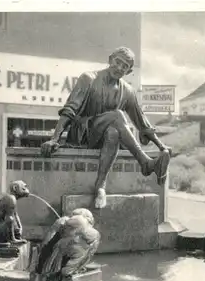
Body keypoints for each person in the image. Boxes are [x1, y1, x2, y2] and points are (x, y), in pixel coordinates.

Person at [41, 46, 171, 209]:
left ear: (128, 72)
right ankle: (145, 162)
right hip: (83, 133)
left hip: (104, 139)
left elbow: (142, 122)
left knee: (113, 132)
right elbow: (70, 108)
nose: (120, 68)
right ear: (110, 60)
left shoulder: (128, 91)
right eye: (118, 62)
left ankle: (100, 186)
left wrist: (161, 146)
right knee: (118, 115)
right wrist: (55, 138)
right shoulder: (89, 78)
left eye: (125, 66)